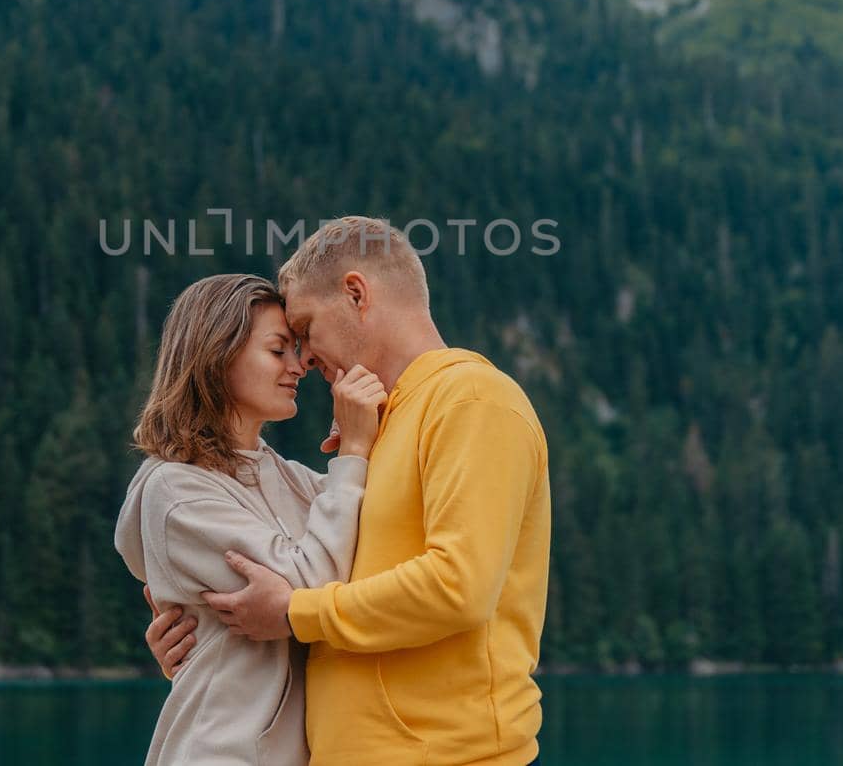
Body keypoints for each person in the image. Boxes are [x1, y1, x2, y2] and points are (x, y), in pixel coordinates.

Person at [147, 216, 552, 766]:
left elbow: (460, 585)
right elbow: (311, 565)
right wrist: (210, 634)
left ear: (356, 294)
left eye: (306, 330)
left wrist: (296, 613)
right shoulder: (377, 432)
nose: (306, 360)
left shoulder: (471, 399)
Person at [115, 272, 386, 766]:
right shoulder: (175, 490)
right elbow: (308, 585)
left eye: (298, 350)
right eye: (277, 350)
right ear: (218, 356)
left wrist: (372, 440)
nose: (299, 366)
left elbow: (373, 529)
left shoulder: (283, 476)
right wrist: (353, 448)